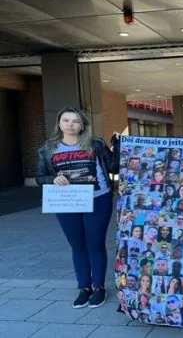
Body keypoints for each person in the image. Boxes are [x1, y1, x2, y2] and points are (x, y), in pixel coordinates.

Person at [36, 107, 120, 308]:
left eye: (75, 121)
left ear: (83, 124)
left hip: (97, 199)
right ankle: (84, 287)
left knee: (95, 244)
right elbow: (40, 178)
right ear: (59, 123)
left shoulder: (95, 144)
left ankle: (99, 287)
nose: (71, 124)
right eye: (66, 120)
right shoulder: (47, 149)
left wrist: (118, 144)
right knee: (78, 245)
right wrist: (53, 178)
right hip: (67, 201)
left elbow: (115, 167)